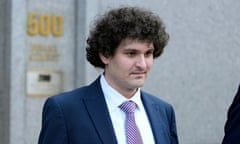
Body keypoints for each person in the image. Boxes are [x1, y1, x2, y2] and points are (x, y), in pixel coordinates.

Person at [38, 6, 179, 144]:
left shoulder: (164, 112)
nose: (142, 64)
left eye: (148, 53)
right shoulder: (65, 110)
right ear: (105, 54)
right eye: (131, 54)